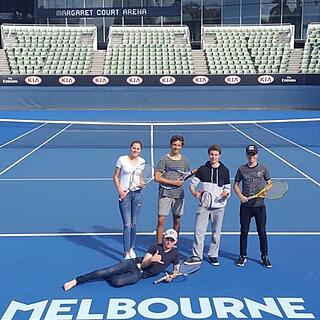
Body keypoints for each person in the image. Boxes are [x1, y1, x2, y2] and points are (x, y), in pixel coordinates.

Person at [63, 229, 180, 290]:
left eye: (172, 240)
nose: (169, 241)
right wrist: (152, 260)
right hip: (134, 264)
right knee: (106, 271)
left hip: (139, 275)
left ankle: (111, 275)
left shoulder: (175, 254)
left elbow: (176, 270)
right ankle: (77, 280)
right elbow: (144, 264)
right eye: (167, 239)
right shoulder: (155, 247)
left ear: (175, 242)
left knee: (117, 282)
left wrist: (171, 277)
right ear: (164, 239)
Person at [185, 144, 231, 266]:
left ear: (219, 156)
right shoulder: (202, 169)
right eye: (211, 154)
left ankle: (213, 255)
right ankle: (197, 255)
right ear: (208, 154)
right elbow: (192, 184)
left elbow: (227, 188)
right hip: (204, 206)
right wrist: (195, 194)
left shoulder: (225, 170)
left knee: (216, 232)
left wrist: (226, 194)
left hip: (219, 207)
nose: (213, 157)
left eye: (216, 155)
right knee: (198, 231)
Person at [233, 144, 272, 268]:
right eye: (250, 154)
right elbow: (235, 185)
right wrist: (240, 196)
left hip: (260, 206)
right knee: (244, 232)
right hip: (246, 207)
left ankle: (264, 256)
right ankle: (242, 255)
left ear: (257, 155)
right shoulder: (241, 169)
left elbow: (269, 183)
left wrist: (265, 191)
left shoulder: (263, 168)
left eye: (253, 154)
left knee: (262, 232)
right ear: (247, 155)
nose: (252, 156)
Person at [154, 135, 190, 244]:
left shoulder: (184, 161)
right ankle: (159, 245)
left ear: (181, 146)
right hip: (165, 193)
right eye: (174, 145)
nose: (176, 147)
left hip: (179, 194)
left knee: (177, 220)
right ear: (171, 145)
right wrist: (174, 182)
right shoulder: (164, 160)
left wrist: (193, 173)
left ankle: (174, 244)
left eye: (179, 145)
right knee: (161, 220)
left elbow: (184, 176)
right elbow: (157, 177)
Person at [113, 140, 145, 260]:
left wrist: (141, 184)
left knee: (134, 224)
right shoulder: (122, 159)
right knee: (127, 224)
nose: (135, 150)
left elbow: (141, 178)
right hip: (125, 195)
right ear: (130, 148)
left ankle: (132, 248)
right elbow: (115, 176)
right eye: (134, 148)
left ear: (140, 150)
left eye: (138, 149)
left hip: (137, 195)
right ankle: (126, 251)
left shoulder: (142, 161)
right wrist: (120, 190)